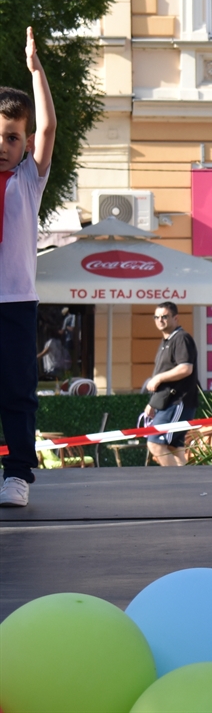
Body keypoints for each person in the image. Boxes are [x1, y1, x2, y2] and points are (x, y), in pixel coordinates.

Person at [0, 28, 55, 507]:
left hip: (16, 304)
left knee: (17, 391)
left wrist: (36, 70)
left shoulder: (28, 180)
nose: (3, 144)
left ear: (25, 143)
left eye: (12, 137)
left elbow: (50, 127)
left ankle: (17, 474)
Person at [143, 302, 201, 467]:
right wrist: (152, 403)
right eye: (156, 317)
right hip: (167, 402)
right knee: (174, 448)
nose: (160, 320)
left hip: (178, 402)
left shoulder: (181, 338)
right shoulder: (166, 341)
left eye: (164, 316)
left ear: (175, 318)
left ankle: (174, 480)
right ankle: (187, 481)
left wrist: (158, 378)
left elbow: (186, 368)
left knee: (155, 443)